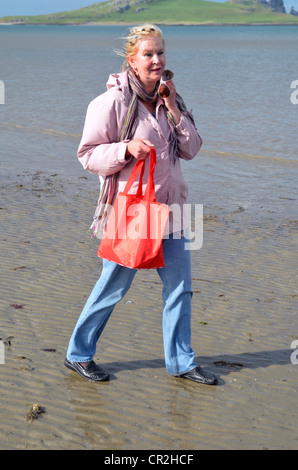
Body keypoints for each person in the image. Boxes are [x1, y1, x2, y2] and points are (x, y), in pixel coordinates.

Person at [64, 24, 218, 386]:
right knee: (113, 287)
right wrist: (125, 149)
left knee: (181, 288)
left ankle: (181, 362)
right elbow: (87, 155)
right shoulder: (112, 102)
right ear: (131, 60)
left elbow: (192, 149)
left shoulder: (171, 99)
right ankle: (78, 354)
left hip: (174, 210)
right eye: (148, 54)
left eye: (161, 53)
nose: (156, 60)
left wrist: (173, 109)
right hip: (133, 211)